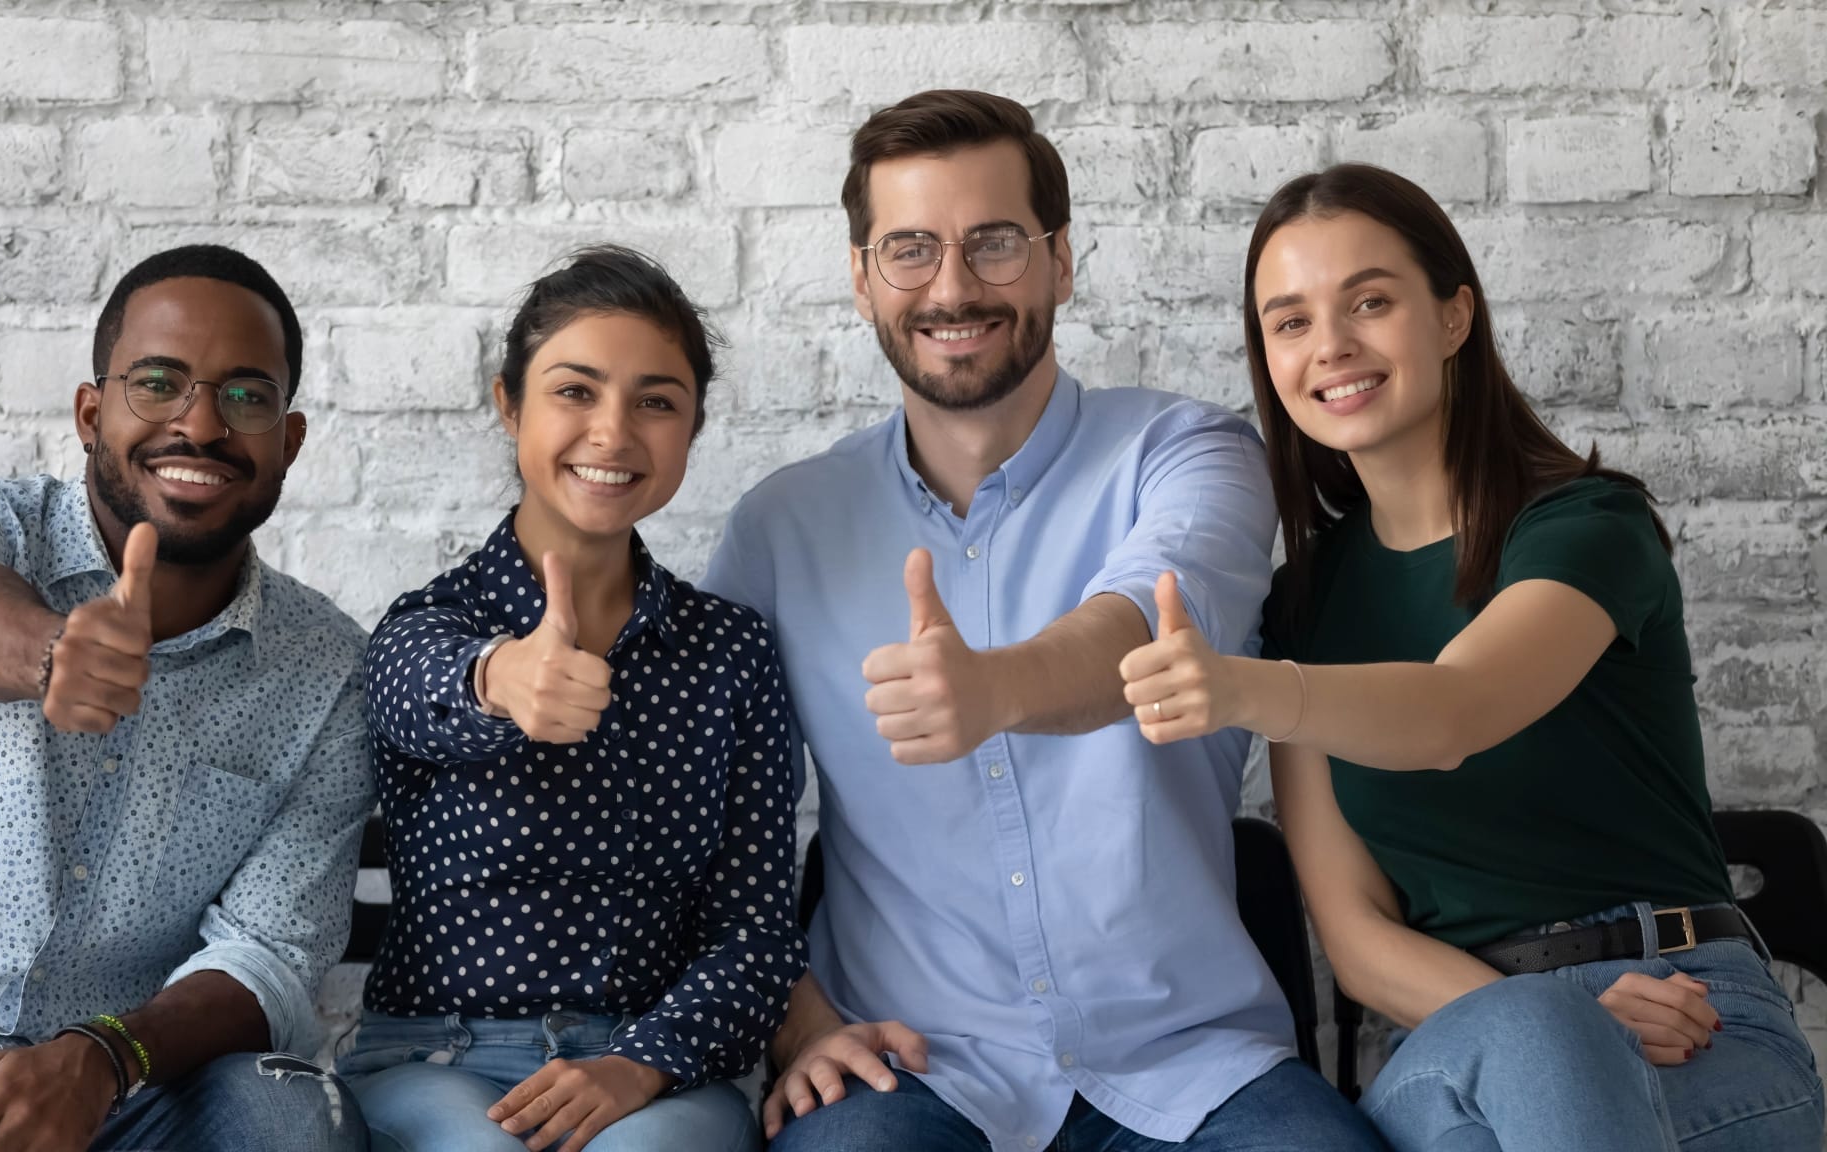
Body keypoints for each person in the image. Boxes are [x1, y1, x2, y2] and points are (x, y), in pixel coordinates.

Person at [703, 90, 1385, 1152]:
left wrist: (993, 690)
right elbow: (712, 826)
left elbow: (1145, 627)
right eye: (910, 250)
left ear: (1061, 261)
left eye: (995, 244)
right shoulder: (779, 528)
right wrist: (799, 1022)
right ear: (858, 277)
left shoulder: (1188, 453)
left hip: (1191, 1062)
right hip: (905, 1066)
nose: (952, 286)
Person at [1116, 162, 1825, 1151]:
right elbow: (1357, 940)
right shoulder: (1308, 602)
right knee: (1536, 1046)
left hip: (1688, 1010)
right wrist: (1554, 1019)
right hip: (1463, 1030)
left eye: (1368, 301)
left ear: (1452, 318)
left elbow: (1456, 709)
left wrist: (1243, 690)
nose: (1331, 346)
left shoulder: (1584, 528)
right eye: (1289, 321)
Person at [0, 244, 375, 1152]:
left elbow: (272, 955)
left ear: (286, 442)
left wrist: (101, 1056)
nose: (202, 426)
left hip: (122, 1092)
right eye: (159, 383)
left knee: (287, 1116)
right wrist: (52, 653)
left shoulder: (327, 668)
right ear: (92, 413)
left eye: (247, 396)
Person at [343, 245, 804, 1152]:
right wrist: (501, 679)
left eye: (657, 401)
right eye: (575, 391)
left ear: (692, 427)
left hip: (655, 1072)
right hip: (439, 1062)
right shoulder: (425, 625)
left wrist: (639, 1064)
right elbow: (418, 694)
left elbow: (755, 935)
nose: (613, 432)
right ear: (509, 403)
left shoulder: (732, 652)